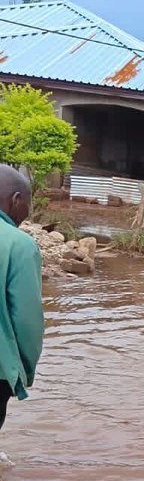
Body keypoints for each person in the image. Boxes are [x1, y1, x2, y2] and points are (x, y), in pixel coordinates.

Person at [0, 166, 44, 460]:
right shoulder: (19, 245)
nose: (27, 211)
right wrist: (22, 372)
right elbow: (27, 321)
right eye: (28, 203)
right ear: (16, 199)